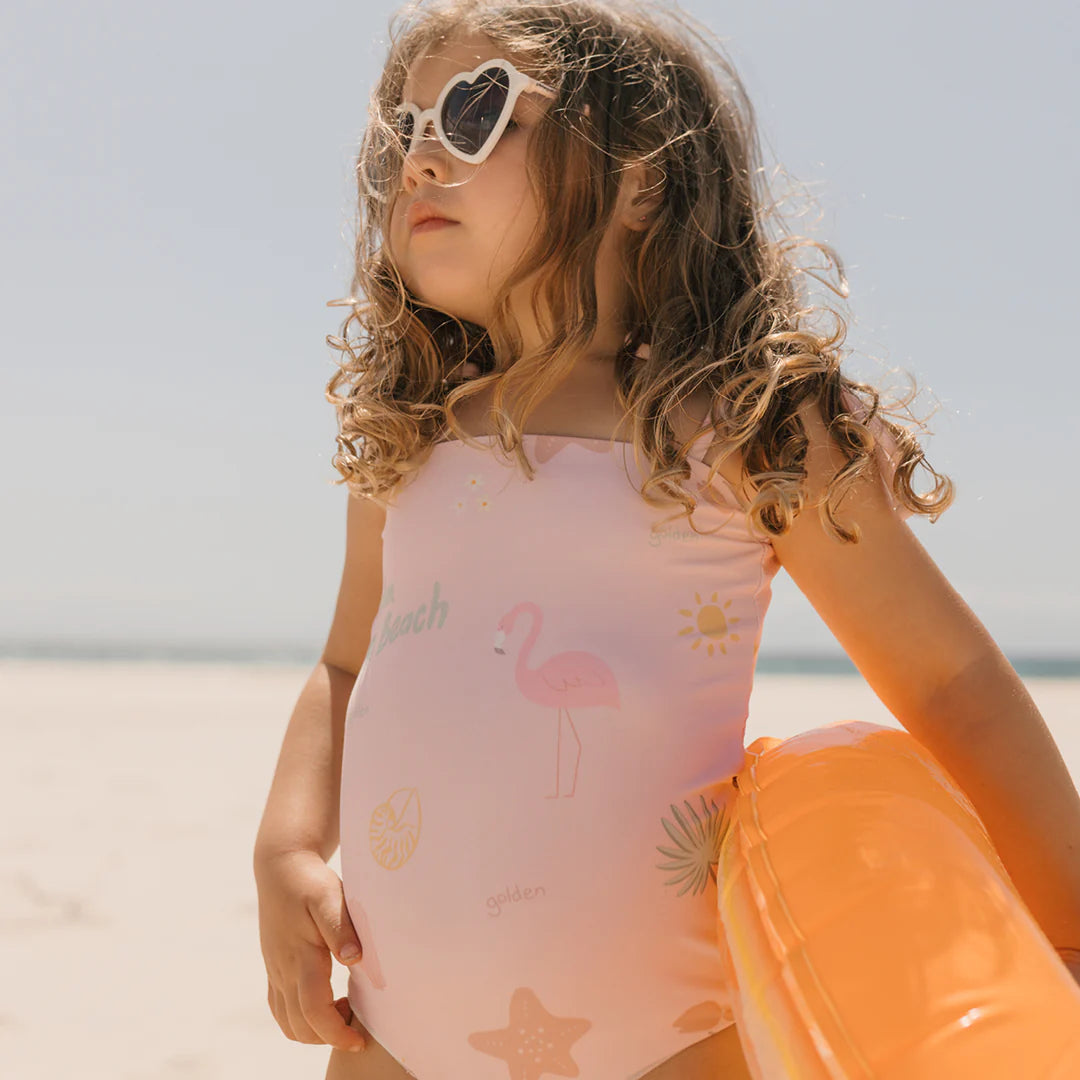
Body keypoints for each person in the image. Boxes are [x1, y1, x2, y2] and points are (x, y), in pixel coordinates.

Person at [253, 1, 1080, 1077]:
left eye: (472, 112)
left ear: (640, 177)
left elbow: (949, 681)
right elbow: (345, 663)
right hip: (394, 1029)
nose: (419, 160)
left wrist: (1063, 924)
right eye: (397, 134)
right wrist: (284, 846)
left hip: (670, 1036)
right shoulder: (415, 437)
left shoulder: (743, 427)